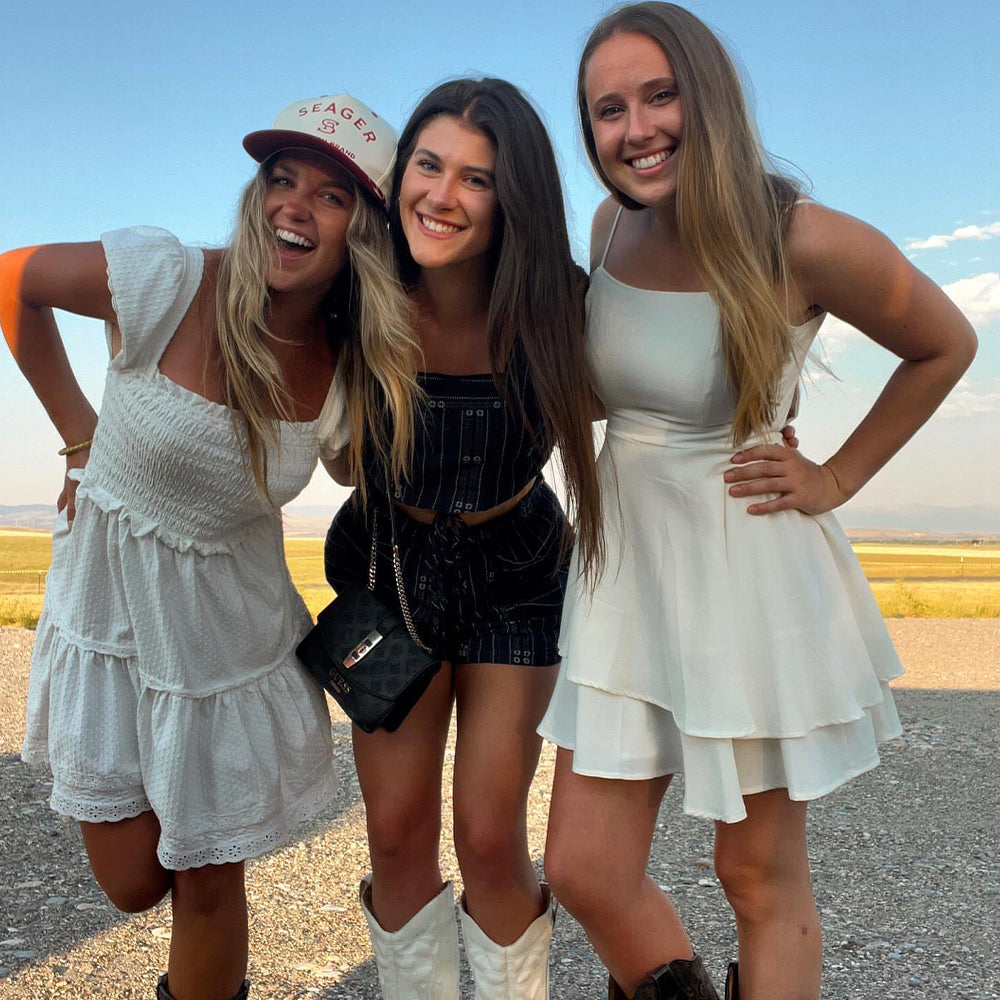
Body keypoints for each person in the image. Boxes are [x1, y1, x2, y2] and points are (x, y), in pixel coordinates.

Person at [537, 6, 978, 1000]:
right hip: (625, 575)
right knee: (583, 866)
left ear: (710, 96)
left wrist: (835, 478)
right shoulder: (609, 226)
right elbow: (620, 387)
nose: (637, 129)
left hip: (746, 575)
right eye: (608, 109)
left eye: (660, 95)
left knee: (755, 875)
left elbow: (946, 344)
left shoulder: (800, 236)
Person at [0, 94, 419, 1000]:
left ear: (366, 233)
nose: (293, 206)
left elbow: (359, 469)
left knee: (208, 878)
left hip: (228, 646)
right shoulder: (166, 279)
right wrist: (78, 435)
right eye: (280, 179)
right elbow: (13, 277)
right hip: (115, 619)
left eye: (331, 195)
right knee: (131, 883)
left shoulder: (351, 367)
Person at [322, 78, 603, 1000]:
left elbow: (673, 382)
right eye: (428, 165)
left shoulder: (564, 303)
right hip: (383, 573)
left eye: (476, 179)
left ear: (513, 198)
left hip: (517, 572)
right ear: (398, 172)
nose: (441, 196)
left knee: (488, 832)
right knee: (396, 831)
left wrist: (770, 420)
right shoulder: (354, 290)